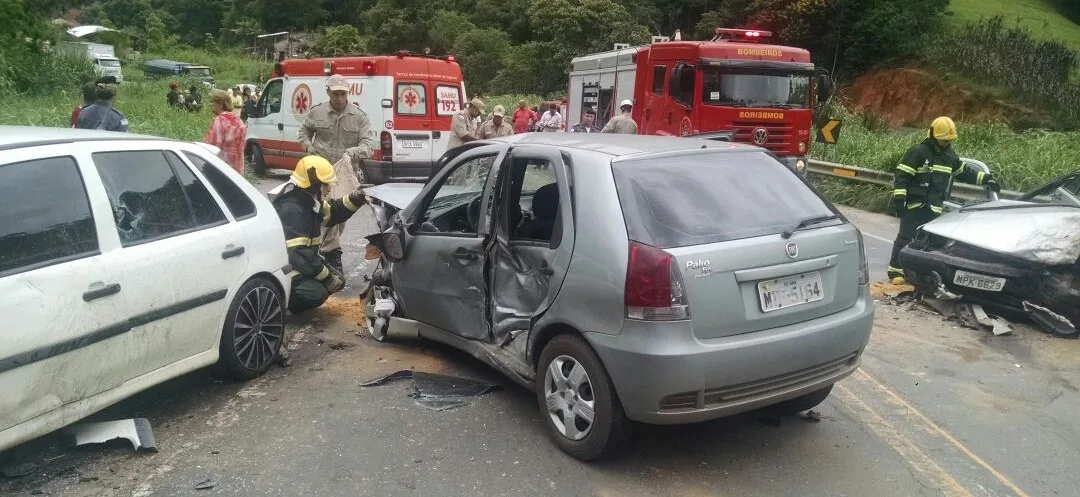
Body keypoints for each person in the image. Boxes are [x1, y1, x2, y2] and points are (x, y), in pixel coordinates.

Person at [273, 156, 367, 364]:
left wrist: (356, 198)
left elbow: (333, 212)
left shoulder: (306, 201)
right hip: (286, 269)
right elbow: (299, 256)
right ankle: (284, 305)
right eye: (325, 184)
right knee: (317, 292)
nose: (327, 189)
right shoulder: (293, 209)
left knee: (331, 281)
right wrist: (327, 277)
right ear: (314, 183)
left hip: (298, 263)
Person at [887, 116, 1000, 284]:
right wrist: (899, 201)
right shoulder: (918, 152)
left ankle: (919, 272)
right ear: (933, 136)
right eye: (943, 141)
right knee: (906, 237)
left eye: (948, 141)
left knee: (930, 242)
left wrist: (986, 178)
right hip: (915, 205)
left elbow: (964, 172)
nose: (945, 144)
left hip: (934, 207)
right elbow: (902, 177)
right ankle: (896, 271)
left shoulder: (949, 156)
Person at [298, 74, 376, 274]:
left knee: (338, 219)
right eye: (335, 94)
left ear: (347, 93)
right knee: (324, 215)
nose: (340, 98)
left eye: (343, 94)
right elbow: (303, 132)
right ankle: (330, 255)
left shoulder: (358, 116)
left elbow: (369, 145)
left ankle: (323, 252)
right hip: (319, 174)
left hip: (345, 176)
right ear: (328, 93)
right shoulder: (318, 113)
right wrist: (309, 147)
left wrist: (353, 151)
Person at [204, 90, 247, 174]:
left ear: (220, 103)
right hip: (237, 167)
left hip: (222, 167)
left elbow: (213, 146)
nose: (210, 105)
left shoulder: (219, 120)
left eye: (212, 102)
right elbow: (243, 144)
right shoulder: (239, 120)